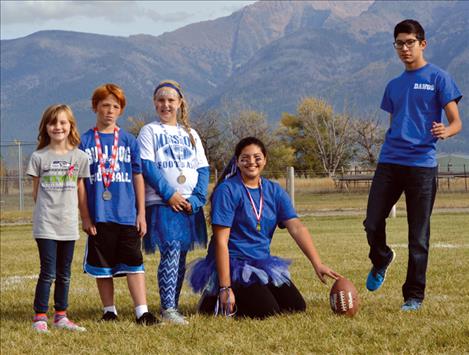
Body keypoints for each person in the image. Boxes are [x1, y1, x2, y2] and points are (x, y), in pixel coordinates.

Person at [364, 19, 463, 311]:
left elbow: (456, 121)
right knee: (371, 223)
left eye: (410, 42)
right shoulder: (393, 86)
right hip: (390, 162)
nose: (404, 48)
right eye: (399, 43)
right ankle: (381, 258)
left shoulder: (439, 78)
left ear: (422, 43)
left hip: (422, 165)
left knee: (418, 236)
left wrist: (447, 130)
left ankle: (414, 295)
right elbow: (395, 122)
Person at [188, 137, 340, 319]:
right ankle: (213, 300)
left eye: (257, 157)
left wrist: (317, 263)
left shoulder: (273, 191)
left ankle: (241, 296)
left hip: (260, 262)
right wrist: (225, 287)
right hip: (232, 264)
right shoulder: (227, 190)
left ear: (265, 159)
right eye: (245, 158)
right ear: (237, 161)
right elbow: (221, 242)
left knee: (296, 307)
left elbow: (297, 228)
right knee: (267, 312)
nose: (251, 162)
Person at [80, 83, 158, 325]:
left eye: (115, 106)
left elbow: (137, 176)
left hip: (126, 214)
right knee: (102, 266)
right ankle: (109, 310)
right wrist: (85, 216)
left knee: (134, 262)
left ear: (121, 110)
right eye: (105, 105)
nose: (109, 111)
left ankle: (141, 311)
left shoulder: (128, 140)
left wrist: (141, 213)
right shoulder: (84, 141)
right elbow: (80, 182)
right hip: (99, 215)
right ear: (95, 107)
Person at [137, 80, 209, 325]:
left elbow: (203, 168)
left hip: (189, 204)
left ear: (179, 103)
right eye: (161, 100)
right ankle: (168, 308)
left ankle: (173, 305)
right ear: (155, 103)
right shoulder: (150, 131)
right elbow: (147, 166)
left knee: (180, 255)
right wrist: (169, 194)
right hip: (162, 202)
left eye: (170, 100)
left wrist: (198, 198)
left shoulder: (191, 134)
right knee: (171, 251)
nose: (165, 104)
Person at [27, 104, 90, 333]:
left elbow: (81, 189)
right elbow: (36, 193)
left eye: (63, 122)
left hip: (68, 224)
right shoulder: (38, 157)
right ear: (45, 126)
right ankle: (40, 316)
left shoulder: (80, 157)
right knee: (48, 272)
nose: (58, 127)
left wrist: (85, 218)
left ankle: (61, 316)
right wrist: (49, 210)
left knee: (65, 273)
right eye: (53, 122)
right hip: (46, 224)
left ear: (70, 125)